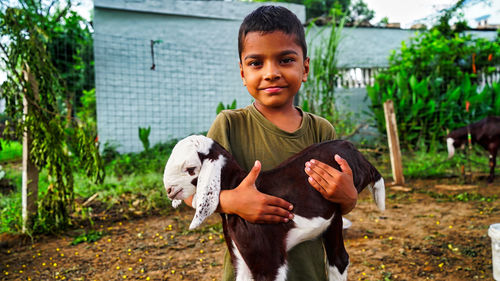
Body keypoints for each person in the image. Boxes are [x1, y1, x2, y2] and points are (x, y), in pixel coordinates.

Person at [186, 5, 358, 280]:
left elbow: (335, 205)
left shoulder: (321, 130)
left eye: (285, 60)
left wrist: (349, 197)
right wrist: (231, 201)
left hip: (309, 273)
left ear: (305, 68)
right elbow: (190, 194)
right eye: (256, 63)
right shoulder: (229, 126)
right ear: (243, 73)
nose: (271, 72)